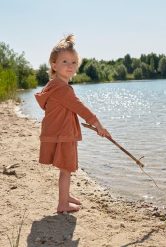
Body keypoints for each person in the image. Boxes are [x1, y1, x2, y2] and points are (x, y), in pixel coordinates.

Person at [35, 34, 111, 213]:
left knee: (65, 168)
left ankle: (66, 196)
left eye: (73, 62)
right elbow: (81, 109)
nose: (70, 66)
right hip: (63, 134)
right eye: (64, 62)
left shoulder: (52, 85)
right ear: (54, 65)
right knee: (66, 169)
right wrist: (99, 126)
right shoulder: (62, 89)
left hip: (58, 132)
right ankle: (62, 204)